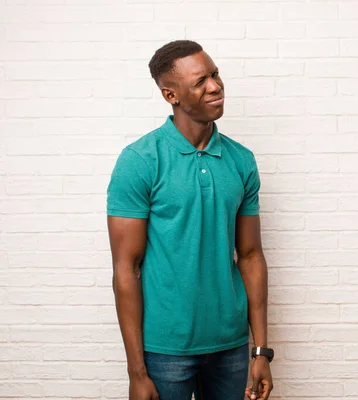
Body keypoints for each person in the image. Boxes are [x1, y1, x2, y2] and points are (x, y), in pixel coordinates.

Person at [106, 40, 274, 400]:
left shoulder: (241, 160)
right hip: (165, 351)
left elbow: (250, 256)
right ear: (171, 94)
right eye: (200, 81)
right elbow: (126, 267)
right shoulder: (140, 160)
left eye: (215, 74)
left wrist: (260, 350)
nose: (215, 86)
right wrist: (137, 372)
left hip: (230, 347)